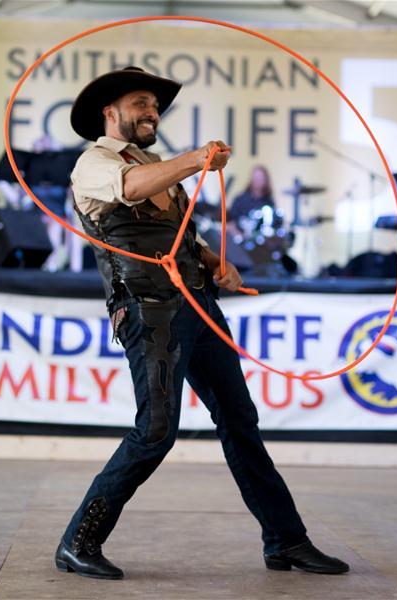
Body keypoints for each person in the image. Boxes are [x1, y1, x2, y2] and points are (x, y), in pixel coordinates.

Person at [55, 66, 349, 580]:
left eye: (155, 105)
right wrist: (194, 159)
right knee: (155, 431)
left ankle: (286, 540)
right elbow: (129, 188)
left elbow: (180, 236)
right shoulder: (94, 164)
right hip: (149, 311)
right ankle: (78, 541)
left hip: (197, 303)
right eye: (142, 103)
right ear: (111, 112)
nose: (152, 112)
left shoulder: (155, 164)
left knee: (240, 421)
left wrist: (215, 262)